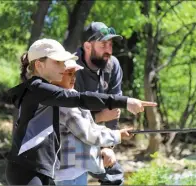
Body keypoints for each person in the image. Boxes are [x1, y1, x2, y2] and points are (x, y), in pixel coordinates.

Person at [5, 38, 157, 185]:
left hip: (40, 169)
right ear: (39, 65)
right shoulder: (38, 89)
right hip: (26, 170)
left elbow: (80, 113)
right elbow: (80, 99)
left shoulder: (44, 92)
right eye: (58, 62)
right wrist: (125, 102)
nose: (63, 67)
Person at [53, 64, 134, 185]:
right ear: (55, 76)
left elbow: (91, 127)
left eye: (74, 74)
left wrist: (113, 137)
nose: (73, 77)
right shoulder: (65, 105)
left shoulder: (70, 97)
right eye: (69, 74)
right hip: (68, 175)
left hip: (76, 171)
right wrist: (117, 135)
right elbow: (88, 134)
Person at [74, 21, 127, 185]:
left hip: (97, 132)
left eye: (110, 44)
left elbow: (114, 110)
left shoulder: (113, 64)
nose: (109, 50)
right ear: (88, 46)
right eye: (103, 44)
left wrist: (108, 147)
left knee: (114, 177)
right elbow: (68, 118)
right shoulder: (70, 68)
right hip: (67, 138)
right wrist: (99, 116)